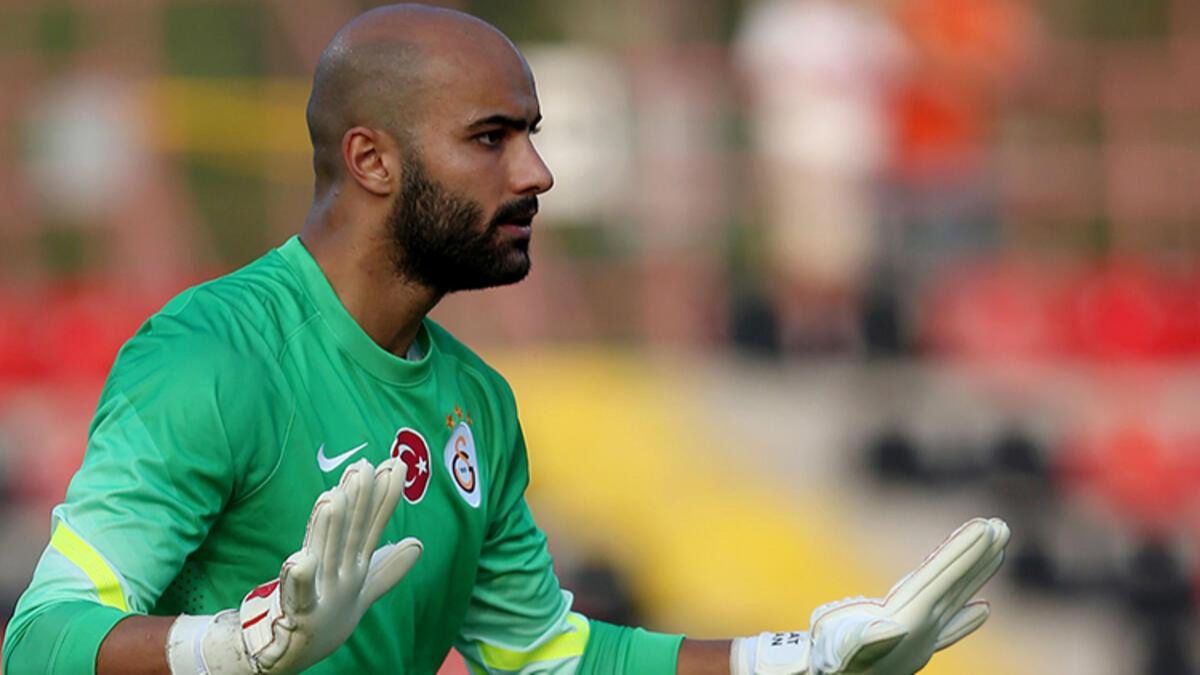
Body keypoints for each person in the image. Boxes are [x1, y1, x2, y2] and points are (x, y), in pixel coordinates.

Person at [2, 5, 1009, 674]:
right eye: (492, 138)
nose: (536, 174)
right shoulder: (211, 355)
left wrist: (802, 658)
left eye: (530, 134)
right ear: (372, 160)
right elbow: (42, 639)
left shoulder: (475, 401)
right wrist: (233, 645)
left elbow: (549, 655)